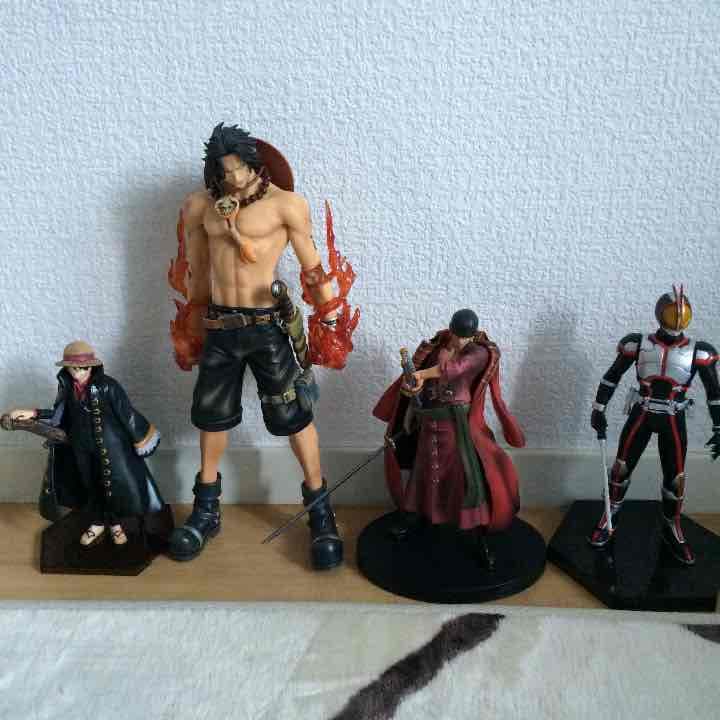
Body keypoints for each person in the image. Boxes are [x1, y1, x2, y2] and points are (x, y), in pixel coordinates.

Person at [168, 123, 352, 569]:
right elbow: (197, 271)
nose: (232, 179)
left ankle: (320, 510)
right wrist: (191, 324)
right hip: (220, 327)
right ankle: (206, 509)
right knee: (211, 416)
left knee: (295, 415)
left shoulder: (285, 205)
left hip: (268, 326)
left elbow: (312, 267)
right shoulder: (201, 206)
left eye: (239, 169)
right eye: (224, 171)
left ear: (255, 164)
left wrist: (329, 316)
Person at [373, 309, 526, 567]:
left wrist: (421, 375)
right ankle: (414, 516)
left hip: (457, 428)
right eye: (456, 335)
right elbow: (421, 381)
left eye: (464, 337)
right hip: (428, 423)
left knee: (467, 478)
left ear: (473, 335)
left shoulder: (479, 353)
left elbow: (454, 369)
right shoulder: (438, 348)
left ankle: (478, 533)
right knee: (423, 473)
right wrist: (412, 399)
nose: (459, 341)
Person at [589, 286, 720, 565]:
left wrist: (719, 426)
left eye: (682, 315)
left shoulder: (699, 351)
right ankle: (610, 516)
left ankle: (672, 526)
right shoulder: (637, 344)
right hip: (642, 412)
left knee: (675, 477)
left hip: (674, 416)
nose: (678, 320)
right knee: (621, 467)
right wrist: (599, 409)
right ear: (660, 313)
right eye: (673, 313)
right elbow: (612, 376)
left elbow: (714, 392)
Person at [6, 341, 163, 547]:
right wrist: (34, 413)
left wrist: (141, 438)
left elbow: (127, 414)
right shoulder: (67, 387)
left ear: (92, 366)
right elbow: (59, 413)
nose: (78, 373)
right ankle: (97, 522)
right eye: (73, 368)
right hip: (80, 446)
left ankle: (115, 524)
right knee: (90, 485)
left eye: (83, 368)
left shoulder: (108, 386)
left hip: (110, 448)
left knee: (111, 486)